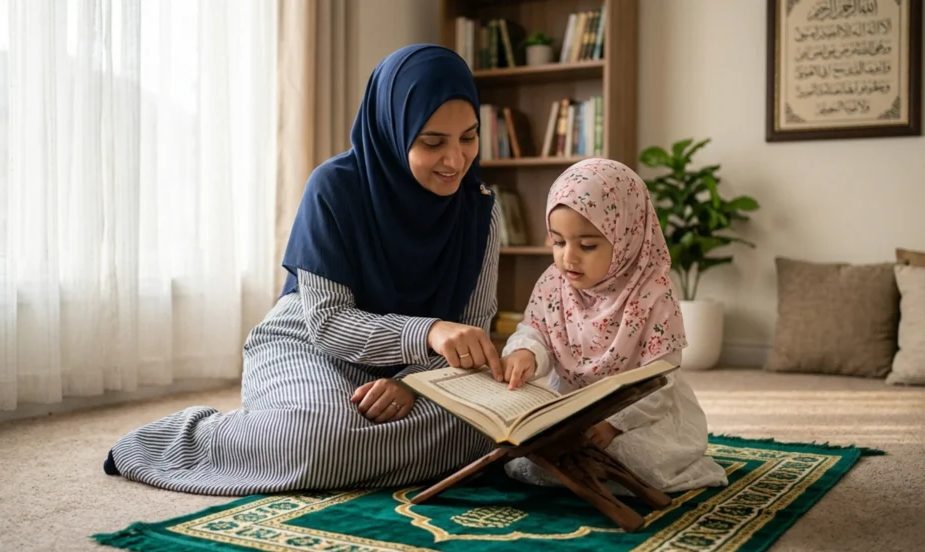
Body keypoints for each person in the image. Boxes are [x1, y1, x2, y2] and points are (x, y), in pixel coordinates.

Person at [101, 44, 506, 496]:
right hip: (309, 344)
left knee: (489, 427)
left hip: (417, 367)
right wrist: (427, 332)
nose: (456, 160)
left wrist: (414, 385)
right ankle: (193, 437)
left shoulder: (481, 211)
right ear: (394, 130)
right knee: (319, 439)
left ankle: (313, 442)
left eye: (468, 137)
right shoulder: (334, 188)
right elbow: (329, 323)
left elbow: (471, 332)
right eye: (433, 142)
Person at [498, 157, 729, 494]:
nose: (568, 258)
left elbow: (660, 377)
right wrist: (525, 352)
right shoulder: (553, 282)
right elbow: (535, 329)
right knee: (520, 459)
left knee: (639, 461)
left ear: (626, 236)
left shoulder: (651, 292)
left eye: (587, 245)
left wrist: (613, 425)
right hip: (569, 407)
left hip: (636, 410)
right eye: (558, 242)